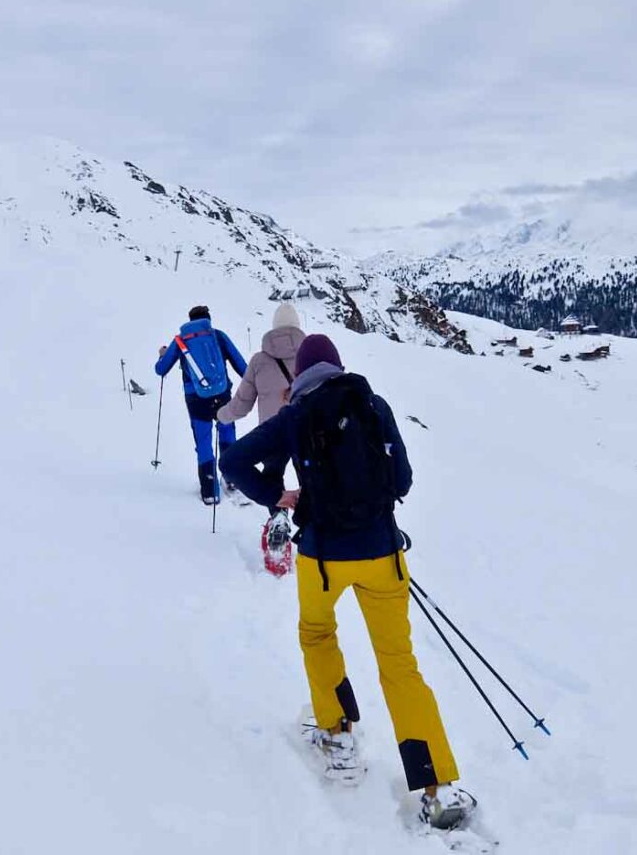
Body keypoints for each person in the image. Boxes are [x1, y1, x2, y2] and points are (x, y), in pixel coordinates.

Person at [218, 333, 473, 830]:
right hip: (382, 553)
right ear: (337, 366)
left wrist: (279, 495)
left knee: (317, 635)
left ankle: (337, 734)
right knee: (400, 664)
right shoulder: (372, 404)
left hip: (322, 558)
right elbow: (401, 481)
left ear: (305, 372)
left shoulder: (295, 415)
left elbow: (233, 461)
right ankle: (438, 787)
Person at [217, 303, 305, 543]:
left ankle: (279, 515)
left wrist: (221, 415)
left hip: (272, 433)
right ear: (298, 326)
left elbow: (242, 405)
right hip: (306, 431)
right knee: (310, 475)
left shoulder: (259, 361)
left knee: (272, 475)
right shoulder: (309, 356)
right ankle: (316, 524)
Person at [155, 305, 247, 505]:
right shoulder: (218, 336)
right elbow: (242, 366)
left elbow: (161, 370)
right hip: (222, 395)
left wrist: (163, 355)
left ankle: (209, 490)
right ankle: (232, 479)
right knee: (227, 433)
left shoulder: (180, 341)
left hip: (196, 399)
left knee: (204, 441)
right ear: (208, 320)